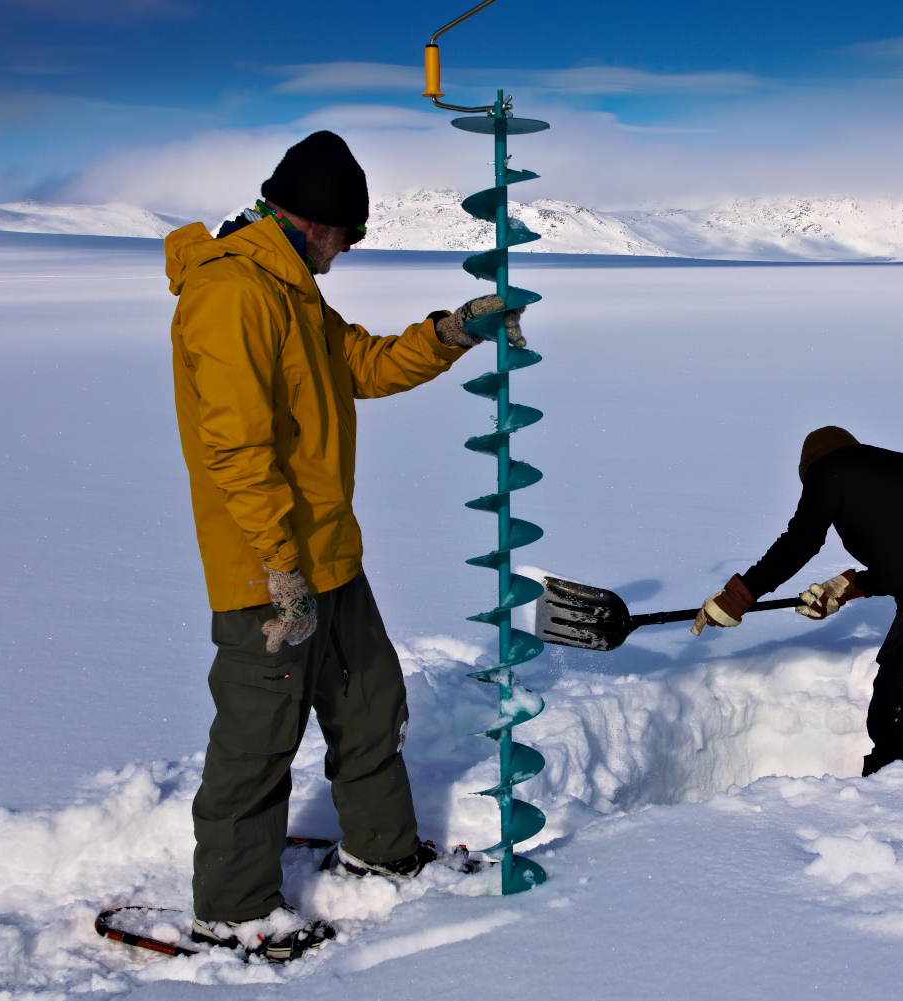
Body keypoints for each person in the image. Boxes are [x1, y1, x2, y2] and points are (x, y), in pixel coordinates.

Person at [164, 131, 525, 960]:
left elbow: (359, 362)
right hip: (269, 571)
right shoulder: (233, 294)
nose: (351, 251)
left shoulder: (292, 290)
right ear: (317, 222)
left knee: (369, 708)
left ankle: (382, 850)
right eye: (351, 236)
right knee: (258, 740)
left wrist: (453, 329)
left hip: (329, 555)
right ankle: (230, 908)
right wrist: (276, 567)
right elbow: (236, 449)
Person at [693, 427, 903, 777]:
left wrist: (740, 595)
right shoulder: (895, 472)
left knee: (894, 716)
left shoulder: (829, 468)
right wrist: (852, 585)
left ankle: (883, 808)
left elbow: (801, 540)